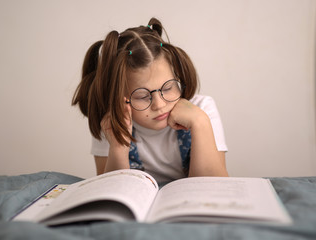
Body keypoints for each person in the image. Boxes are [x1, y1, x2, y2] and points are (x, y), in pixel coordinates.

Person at [72, 18, 228, 182]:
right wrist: (118, 146)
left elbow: (217, 186)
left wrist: (200, 123)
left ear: (179, 77)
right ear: (118, 97)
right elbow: (107, 190)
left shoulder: (202, 109)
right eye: (142, 96)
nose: (159, 105)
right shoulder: (111, 123)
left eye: (168, 88)